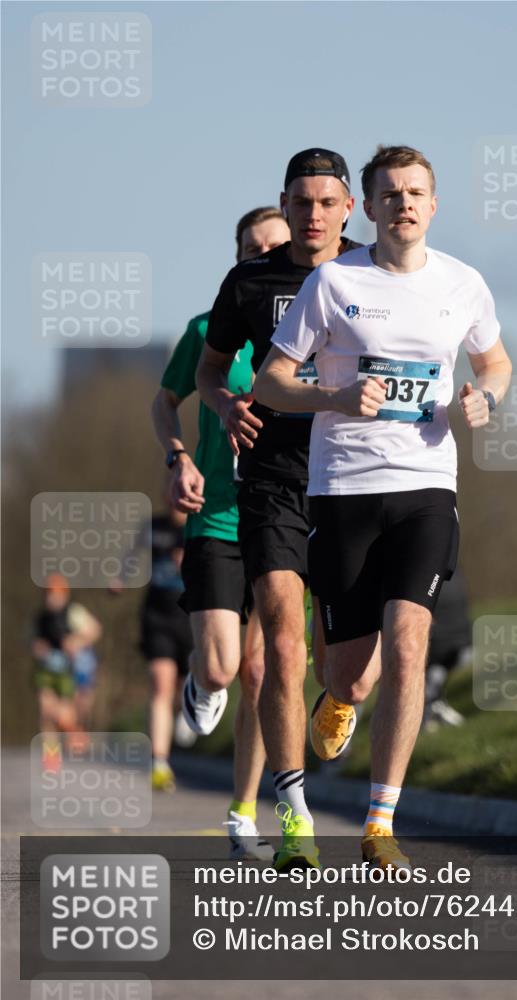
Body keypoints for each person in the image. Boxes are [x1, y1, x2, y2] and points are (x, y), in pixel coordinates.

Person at [254, 144, 512, 871]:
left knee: (408, 642)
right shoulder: (334, 281)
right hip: (344, 490)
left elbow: (495, 362)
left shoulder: (463, 283)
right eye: (390, 194)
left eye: (415, 193)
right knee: (351, 675)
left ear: (433, 205)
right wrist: (333, 396)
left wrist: (486, 398)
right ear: (367, 208)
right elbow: (271, 382)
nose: (404, 204)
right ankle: (339, 697)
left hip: (426, 485)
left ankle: (379, 821)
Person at [196, 149, 362, 871]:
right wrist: (223, 403)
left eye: (327, 202)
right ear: (285, 204)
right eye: (301, 202)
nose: (313, 215)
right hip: (271, 477)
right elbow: (209, 367)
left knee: (348, 667)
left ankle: (341, 695)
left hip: (353, 476)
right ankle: (294, 815)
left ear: (348, 208)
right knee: (281, 645)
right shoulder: (249, 281)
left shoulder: (372, 272)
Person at [152, 206, 289, 858]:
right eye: (252, 250)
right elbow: (164, 401)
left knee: (262, 672)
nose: (264, 257)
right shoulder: (208, 330)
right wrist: (177, 458)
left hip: (284, 516)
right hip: (217, 514)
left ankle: (243, 811)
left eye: (274, 247)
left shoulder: (319, 329)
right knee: (222, 667)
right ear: (238, 261)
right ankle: (200, 681)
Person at [110, 500, 193, 792]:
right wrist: (120, 577)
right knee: (160, 684)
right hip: (156, 616)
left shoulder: (200, 526)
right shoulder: (153, 526)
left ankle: (188, 710)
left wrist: (190, 562)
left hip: (190, 617)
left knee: (188, 683)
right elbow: (133, 553)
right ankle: (159, 763)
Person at [31, 574, 102, 767]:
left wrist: (76, 641)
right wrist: (38, 646)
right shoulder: (41, 617)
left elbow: (95, 630)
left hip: (69, 670)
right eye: (48, 594)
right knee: (45, 709)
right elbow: (31, 639)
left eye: (55, 594)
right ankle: (51, 755)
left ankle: (75, 731)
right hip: (46, 669)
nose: (51, 598)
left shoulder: (73, 612)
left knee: (63, 713)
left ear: (64, 594)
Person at [422, 564, 472, 731]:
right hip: (461, 641)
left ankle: (429, 702)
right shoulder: (449, 562)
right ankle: (432, 701)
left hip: (438, 643)